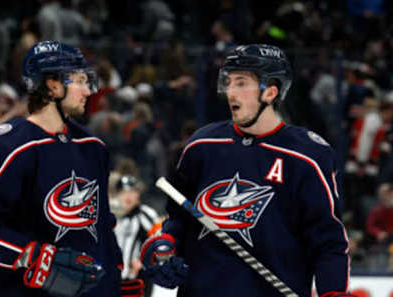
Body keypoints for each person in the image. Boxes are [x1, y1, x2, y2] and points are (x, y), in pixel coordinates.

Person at [140, 44, 355, 297]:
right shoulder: (202, 145)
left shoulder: (308, 156)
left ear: (270, 92)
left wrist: (333, 293)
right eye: (228, 82)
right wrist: (163, 246)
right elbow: (178, 218)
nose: (231, 92)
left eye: (241, 83)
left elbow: (328, 242)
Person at [0, 41, 129, 297]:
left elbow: (102, 225)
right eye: (80, 81)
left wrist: (114, 280)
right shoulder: (4, 147)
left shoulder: (92, 146)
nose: (88, 91)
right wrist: (32, 254)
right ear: (52, 85)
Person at [112, 175, 161, 296]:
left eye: (132, 191)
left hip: (138, 280)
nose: (128, 196)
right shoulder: (110, 215)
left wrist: (142, 261)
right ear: (118, 194)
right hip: (113, 278)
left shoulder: (146, 215)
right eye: (124, 192)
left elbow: (160, 245)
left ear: (138, 194)